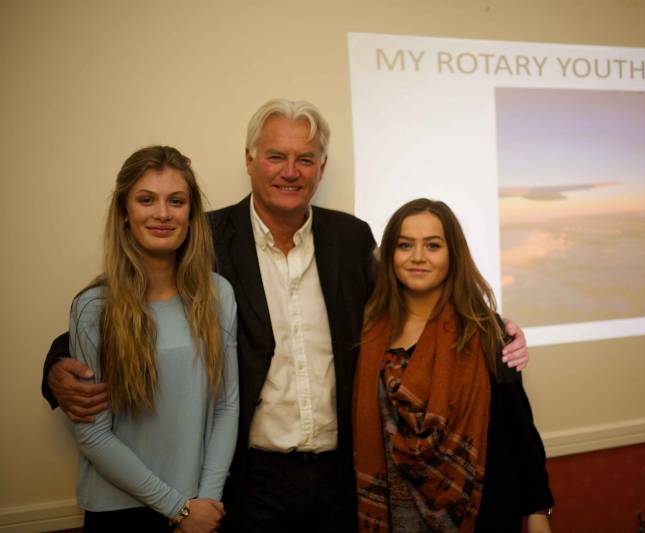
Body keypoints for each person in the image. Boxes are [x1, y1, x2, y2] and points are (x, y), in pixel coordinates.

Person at [42, 99, 531, 532]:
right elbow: (129, 306)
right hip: (250, 481)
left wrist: (493, 326)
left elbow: (413, 289)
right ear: (250, 160)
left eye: (306, 159)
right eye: (276, 156)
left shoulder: (350, 238)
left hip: (343, 476)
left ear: (322, 166)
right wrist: (59, 365)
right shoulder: (206, 237)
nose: (290, 171)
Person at [353, 198, 553, 533]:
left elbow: (519, 429)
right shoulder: (367, 331)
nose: (418, 257)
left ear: (452, 255)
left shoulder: (487, 332)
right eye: (405, 245)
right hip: (390, 518)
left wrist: (538, 512)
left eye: (433, 245)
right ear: (389, 254)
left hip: (476, 515)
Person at [66, 145, 239, 532]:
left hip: (201, 509)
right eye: (146, 199)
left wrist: (205, 502)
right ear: (125, 212)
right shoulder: (93, 307)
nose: (163, 213)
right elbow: (92, 433)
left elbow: (226, 406)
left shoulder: (218, 295)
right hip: (120, 511)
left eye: (176, 201)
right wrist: (177, 508)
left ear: (191, 215)